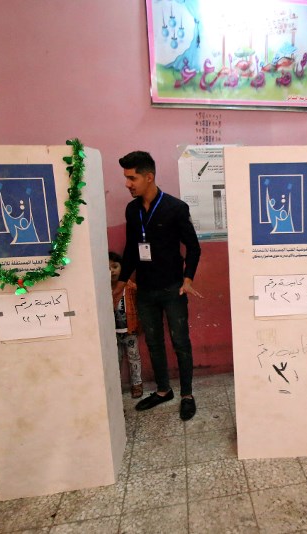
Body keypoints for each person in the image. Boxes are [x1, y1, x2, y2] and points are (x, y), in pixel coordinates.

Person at [114, 151, 202, 421]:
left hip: (173, 289)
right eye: (126, 178)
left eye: (132, 178)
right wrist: (120, 284)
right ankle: (164, 390)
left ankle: (187, 395)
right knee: (153, 342)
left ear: (149, 177)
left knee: (180, 342)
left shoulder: (176, 208)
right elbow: (131, 250)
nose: (127, 184)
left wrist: (188, 279)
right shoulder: (132, 210)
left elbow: (194, 247)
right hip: (145, 290)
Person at [109, 251, 143, 398]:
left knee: (133, 357)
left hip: (130, 330)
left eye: (115, 267)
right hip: (112, 333)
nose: (112, 271)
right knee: (115, 359)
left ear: (122, 268)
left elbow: (139, 298)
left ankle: (137, 384)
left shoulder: (129, 286)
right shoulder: (104, 288)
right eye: (108, 268)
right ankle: (116, 386)